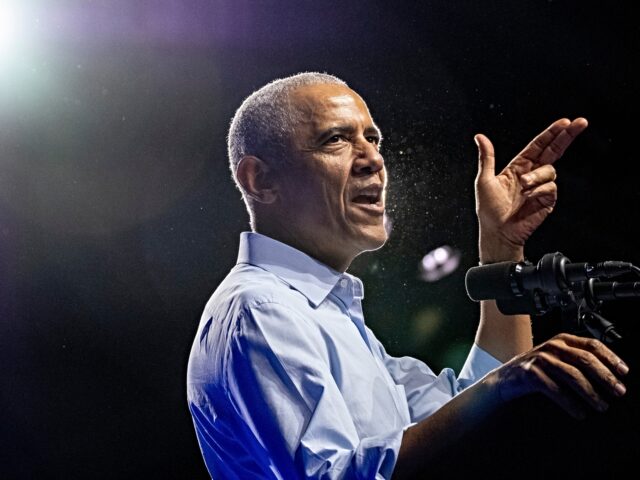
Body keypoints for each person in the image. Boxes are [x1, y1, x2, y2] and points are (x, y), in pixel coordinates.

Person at [186, 72, 629, 479]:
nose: (373, 160)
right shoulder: (261, 309)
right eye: (336, 139)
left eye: (374, 139)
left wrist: (502, 248)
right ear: (260, 180)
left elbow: (472, 408)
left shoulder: (328, 315)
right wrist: (502, 385)